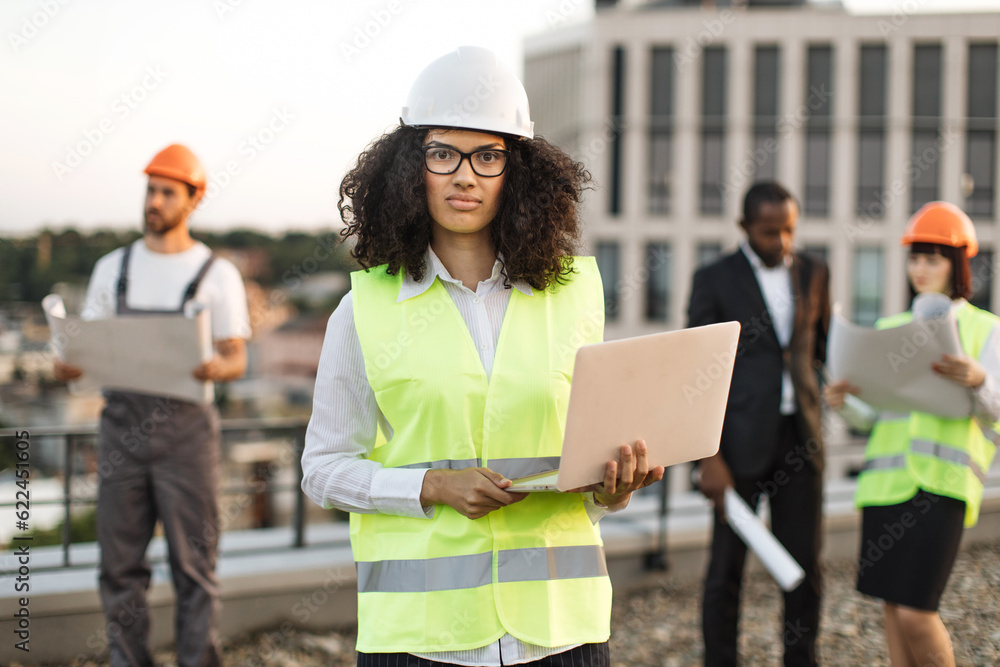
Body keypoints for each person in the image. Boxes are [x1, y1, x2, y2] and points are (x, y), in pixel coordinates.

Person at [300, 46, 663, 667]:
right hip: (419, 641)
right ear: (410, 168)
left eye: (488, 156)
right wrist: (433, 486)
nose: (465, 176)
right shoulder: (362, 311)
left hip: (561, 633)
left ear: (515, 172)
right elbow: (322, 470)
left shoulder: (575, 300)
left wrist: (616, 489)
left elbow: (582, 478)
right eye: (443, 153)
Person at [53, 144, 251, 667]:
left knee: (194, 569)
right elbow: (84, 349)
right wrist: (68, 365)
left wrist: (215, 366)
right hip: (120, 432)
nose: (155, 201)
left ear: (194, 199)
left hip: (188, 436)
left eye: (167, 191)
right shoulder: (111, 268)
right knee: (119, 568)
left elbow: (236, 360)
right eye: (150, 190)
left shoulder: (217, 274)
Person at [825, 201, 999, 667]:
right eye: (915, 258)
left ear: (958, 264)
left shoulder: (986, 330)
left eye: (933, 258)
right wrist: (846, 401)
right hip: (884, 487)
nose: (921, 269)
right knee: (891, 609)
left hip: (941, 488)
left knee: (917, 613)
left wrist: (979, 380)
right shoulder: (890, 328)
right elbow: (873, 418)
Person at [687, 181, 830, 667]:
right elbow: (696, 376)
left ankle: (801, 659)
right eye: (770, 232)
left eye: (788, 230)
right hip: (735, 445)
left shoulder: (815, 272)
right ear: (745, 228)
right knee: (726, 570)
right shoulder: (714, 279)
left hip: (800, 440)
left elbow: (820, 353)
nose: (782, 242)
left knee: (804, 567)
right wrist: (709, 459)